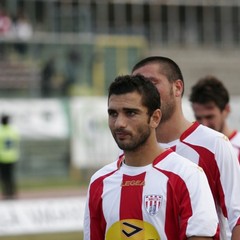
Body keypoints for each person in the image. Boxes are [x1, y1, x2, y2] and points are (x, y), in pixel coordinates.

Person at [84, 74, 219, 240]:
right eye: (113, 114)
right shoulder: (99, 182)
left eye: (130, 113)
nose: (119, 123)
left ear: (155, 118)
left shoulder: (187, 175)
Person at [131, 56, 240, 240]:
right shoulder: (132, 148)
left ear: (177, 87)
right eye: (137, 85)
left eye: (151, 83)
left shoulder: (214, 145)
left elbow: (237, 217)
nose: (143, 92)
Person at [189, 76, 240, 162]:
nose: (204, 124)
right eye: (199, 118)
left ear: (226, 110)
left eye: (210, 117)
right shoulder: (190, 150)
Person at [0, 114, 20, 200]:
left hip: (2, 157)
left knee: (4, 176)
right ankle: (12, 192)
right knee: (11, 176)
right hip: (12, 156)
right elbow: (17, 141)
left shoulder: (1, 131)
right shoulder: (13, 131)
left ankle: (6, 193)